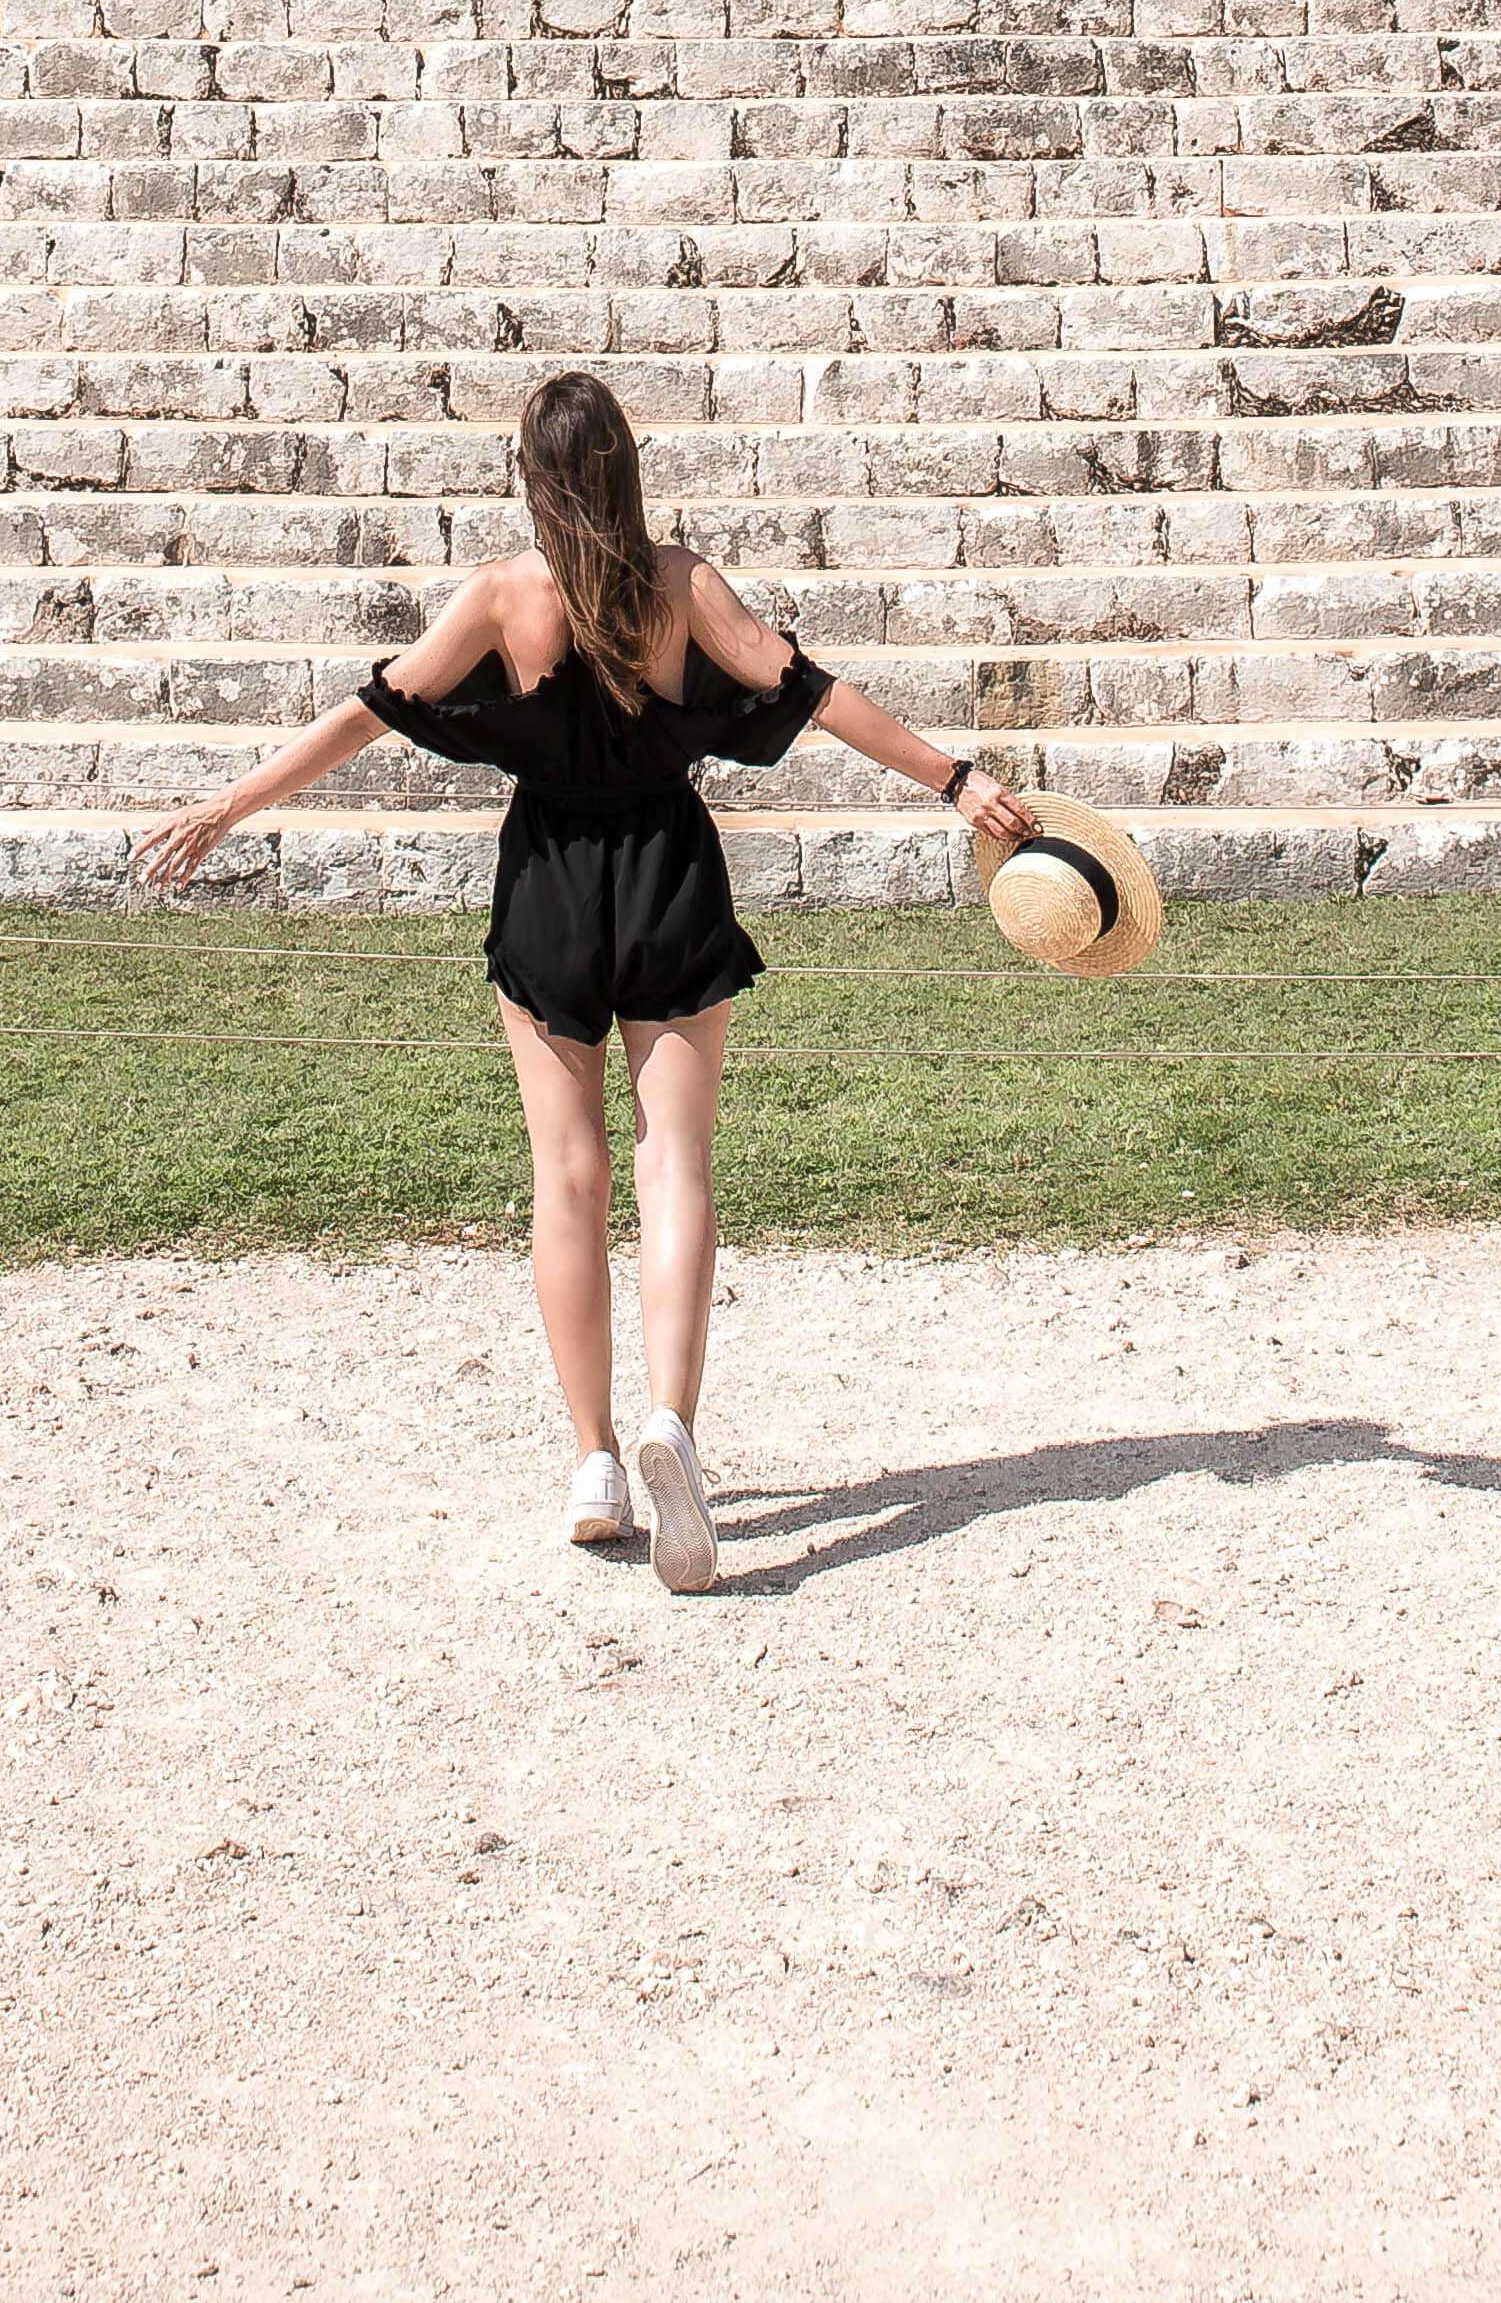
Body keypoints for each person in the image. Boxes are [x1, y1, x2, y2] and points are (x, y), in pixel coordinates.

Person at [137, 366, 1039, 1593]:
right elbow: (815, 697)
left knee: (566, 1172)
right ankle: (672, 1421)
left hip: (550, 881)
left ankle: (593, 1461)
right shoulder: (682, 585)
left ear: (532, 476)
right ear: (624, 466)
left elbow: (369, 712)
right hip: (668, 868)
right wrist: (955, 781)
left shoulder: (504, 596)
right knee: (676, 1155)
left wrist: (228, 804)